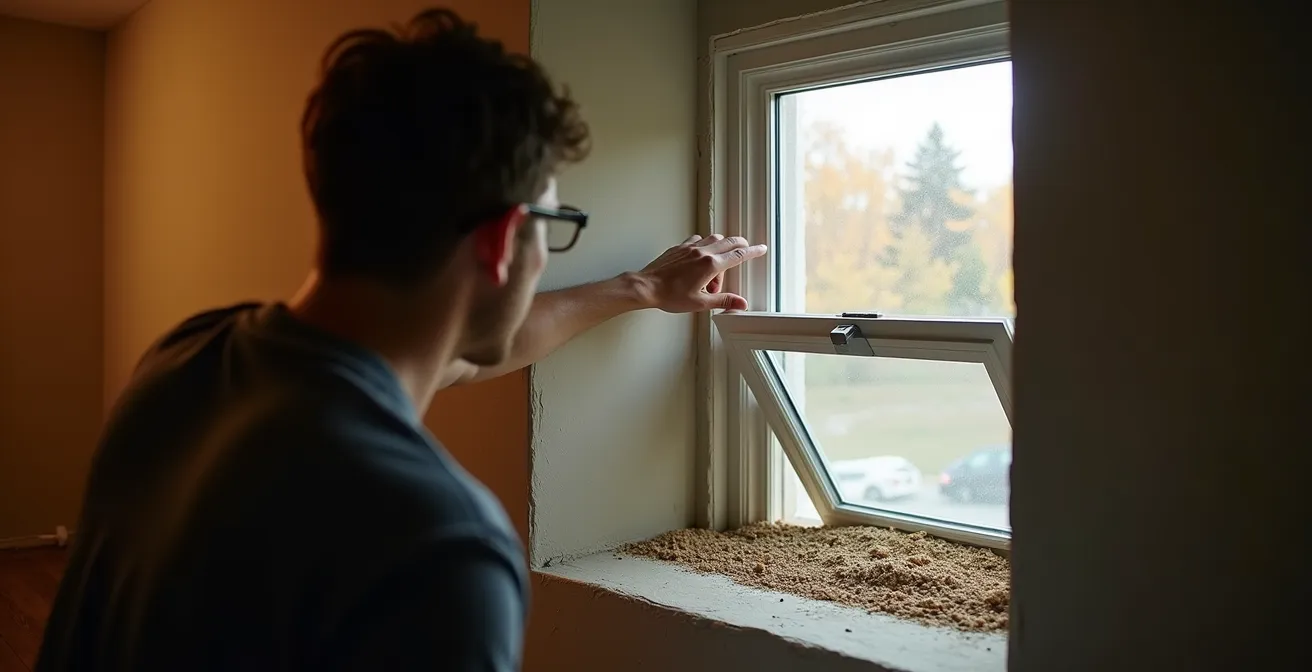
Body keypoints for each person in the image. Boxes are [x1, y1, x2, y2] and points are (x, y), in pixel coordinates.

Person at [34, 8, 765, 672]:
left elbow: (451, 354)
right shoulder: (436, 547)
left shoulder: (189, 359)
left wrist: (638, 288)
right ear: (505, 238)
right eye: (554, 224)